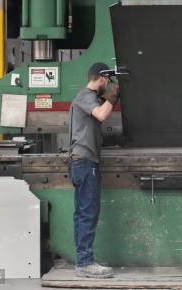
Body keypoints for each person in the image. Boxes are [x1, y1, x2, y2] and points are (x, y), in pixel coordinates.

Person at [68, 62, 119, 278]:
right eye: (108, 80)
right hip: (85, 162)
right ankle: (85, 263)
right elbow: (100, 114)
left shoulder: (89, 97)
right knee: (87, 212)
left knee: (84, 212)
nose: (108, 84)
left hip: (84, 161)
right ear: (101, 78)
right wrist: (112, 97)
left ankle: (83, 261)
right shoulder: (86, 95)